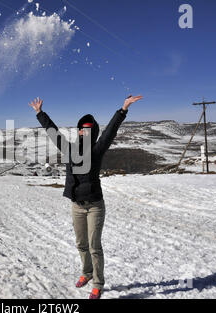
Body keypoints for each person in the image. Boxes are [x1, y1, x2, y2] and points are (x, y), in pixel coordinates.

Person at [29, 95, 143, 299]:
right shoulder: (70, 149)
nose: (84, 131)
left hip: (95, 206)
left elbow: (110, 132)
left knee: (94, 246)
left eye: (88, 128)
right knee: (81, 244)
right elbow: (53, 134)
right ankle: (87, 273)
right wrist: (40, 114)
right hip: (76, 205)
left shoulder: (97, 150)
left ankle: (98, 283)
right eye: (81, 128)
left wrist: (123, 109)